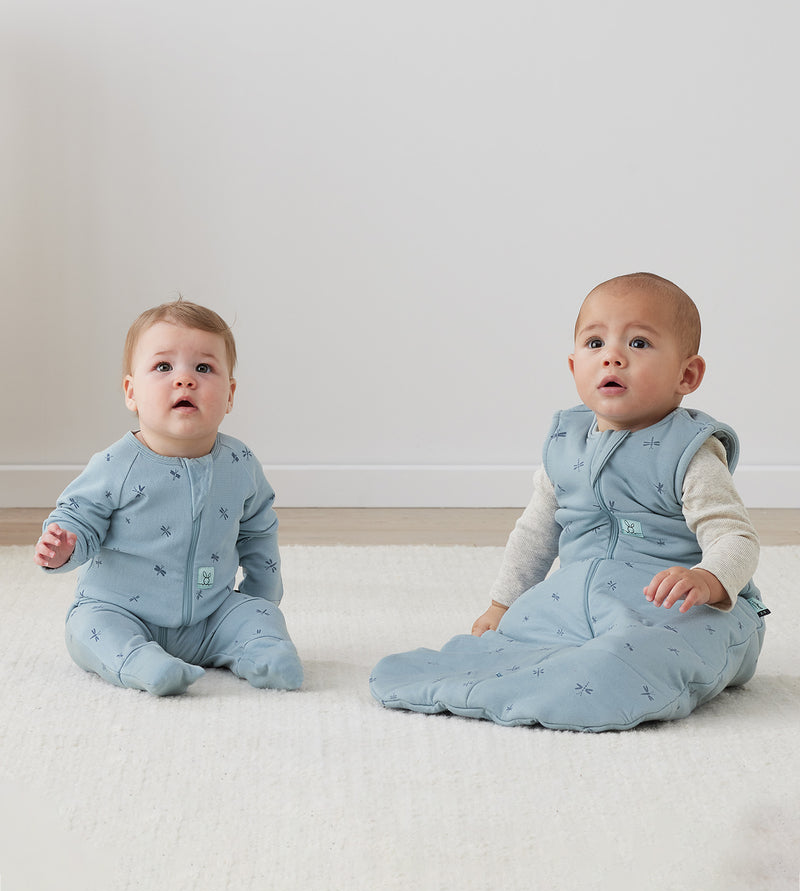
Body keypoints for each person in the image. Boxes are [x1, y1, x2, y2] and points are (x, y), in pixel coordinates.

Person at [369, 272, 768, 731]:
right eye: (595, 343)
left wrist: (708, 580)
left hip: (680, 607)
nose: (612, 356)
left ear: (687, 374)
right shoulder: (565, 444)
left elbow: (735, 537)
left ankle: (600, 677)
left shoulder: (689, 451)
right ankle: (515, 675)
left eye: (638, 343)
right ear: (574, 366)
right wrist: (503, 605)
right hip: (579, 597)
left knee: (648, 651)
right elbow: (536, 534)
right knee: (520, 636)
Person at [34, 300, 303, 697]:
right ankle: (142, 663)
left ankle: (264, 653)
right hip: (120, 610)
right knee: (87, 630)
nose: (185, 380)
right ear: (131, 393)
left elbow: (259, 532)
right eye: (163, 367)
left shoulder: (240, 463)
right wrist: (64, 547)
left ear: (229, 394)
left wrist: (262, 599)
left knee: (260, 617)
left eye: (204, 368)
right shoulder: (116, 463)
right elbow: (78, 517)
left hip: (210, 615)